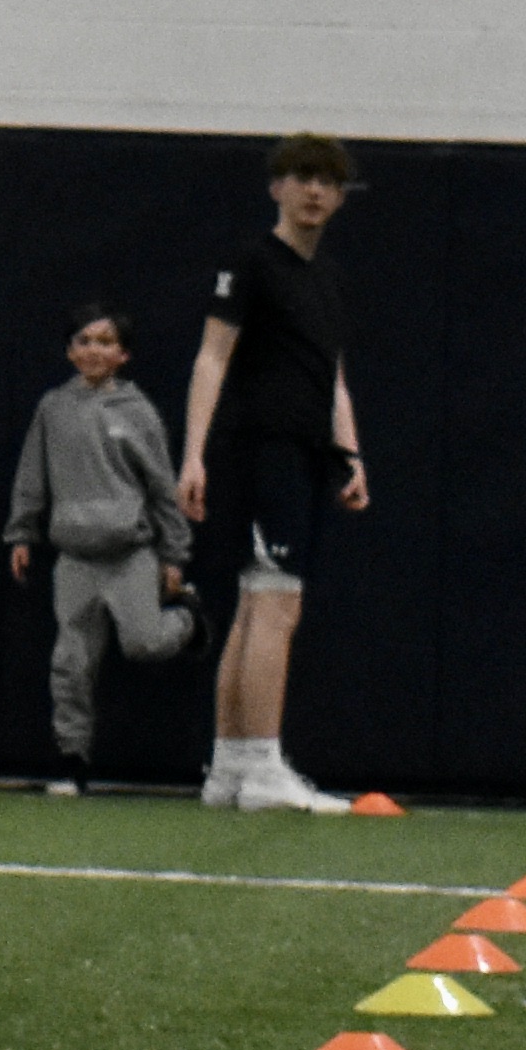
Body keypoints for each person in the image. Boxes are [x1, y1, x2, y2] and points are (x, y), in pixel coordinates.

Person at [179, 129, 374, 816]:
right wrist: (193, 453)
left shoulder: (328, 281)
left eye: (328, 180)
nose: (315, 191)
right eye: (302, 177)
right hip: (259, 451)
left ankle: (230, 768)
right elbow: (212, 358)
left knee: (257, 603)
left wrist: (349, 455)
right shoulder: (251, 264)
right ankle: (263, 764)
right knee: (274, 605)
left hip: (305, 452)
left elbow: (332, 379)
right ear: (277, 188)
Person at [2, 301, 192, 797]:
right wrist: (22, 533)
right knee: (71, 663)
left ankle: (189, 622)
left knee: (144, 642)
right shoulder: (53, 408)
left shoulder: (139, 412)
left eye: (105, 342)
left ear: (124, 354)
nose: (93, 350)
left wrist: (174, 555)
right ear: (69, 350)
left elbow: (161, 486)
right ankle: (72, 759)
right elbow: (31, 476)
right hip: (75, 557)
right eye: (83, 341)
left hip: (129, 554)